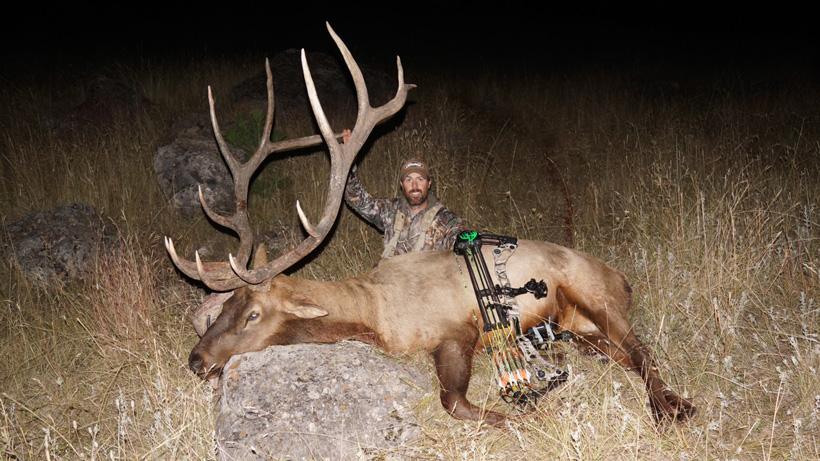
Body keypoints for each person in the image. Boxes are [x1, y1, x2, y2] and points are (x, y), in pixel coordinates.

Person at [342, 131, 467, 258]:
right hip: (390, 275)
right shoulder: (390, 210)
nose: (414, 186)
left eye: (420, 179)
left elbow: (458, 236)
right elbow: (356, 199)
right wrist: (349, 161)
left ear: (429, 183)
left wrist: (465, 241)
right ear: (402, 184)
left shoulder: (445, 220)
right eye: (409, 180)